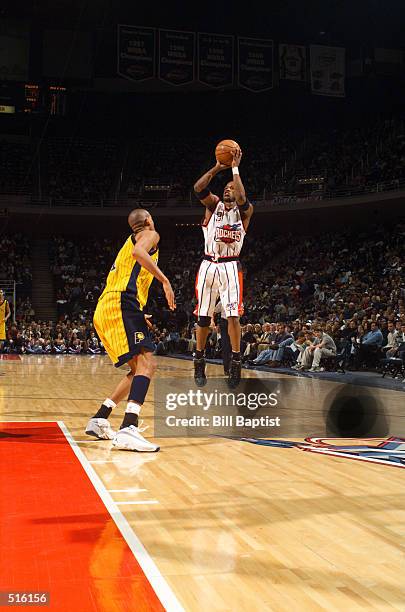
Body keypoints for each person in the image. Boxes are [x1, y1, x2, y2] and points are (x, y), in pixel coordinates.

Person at [85, 209, 175, 452]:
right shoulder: (150, 233)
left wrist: (138, 312)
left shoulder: (128, 241)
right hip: (121, 303)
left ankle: (100, 418)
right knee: (148, 364)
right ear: (147, 221)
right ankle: (128, 428)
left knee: (137, 370)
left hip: (107, 307)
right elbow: (139, 253)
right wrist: (165, 281)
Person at [193, 147, 253, 388]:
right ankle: (199, 360)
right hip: (208, 264)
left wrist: (235, 169)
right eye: (226, 187)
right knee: (203, 317)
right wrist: (219, 167)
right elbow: (198, 188)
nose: (229, 189)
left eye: (232, 187)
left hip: (230, 267)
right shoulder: (213, 206)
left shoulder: (245, 212)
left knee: (233, 316)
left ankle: (236, 362)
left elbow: (242, 198)